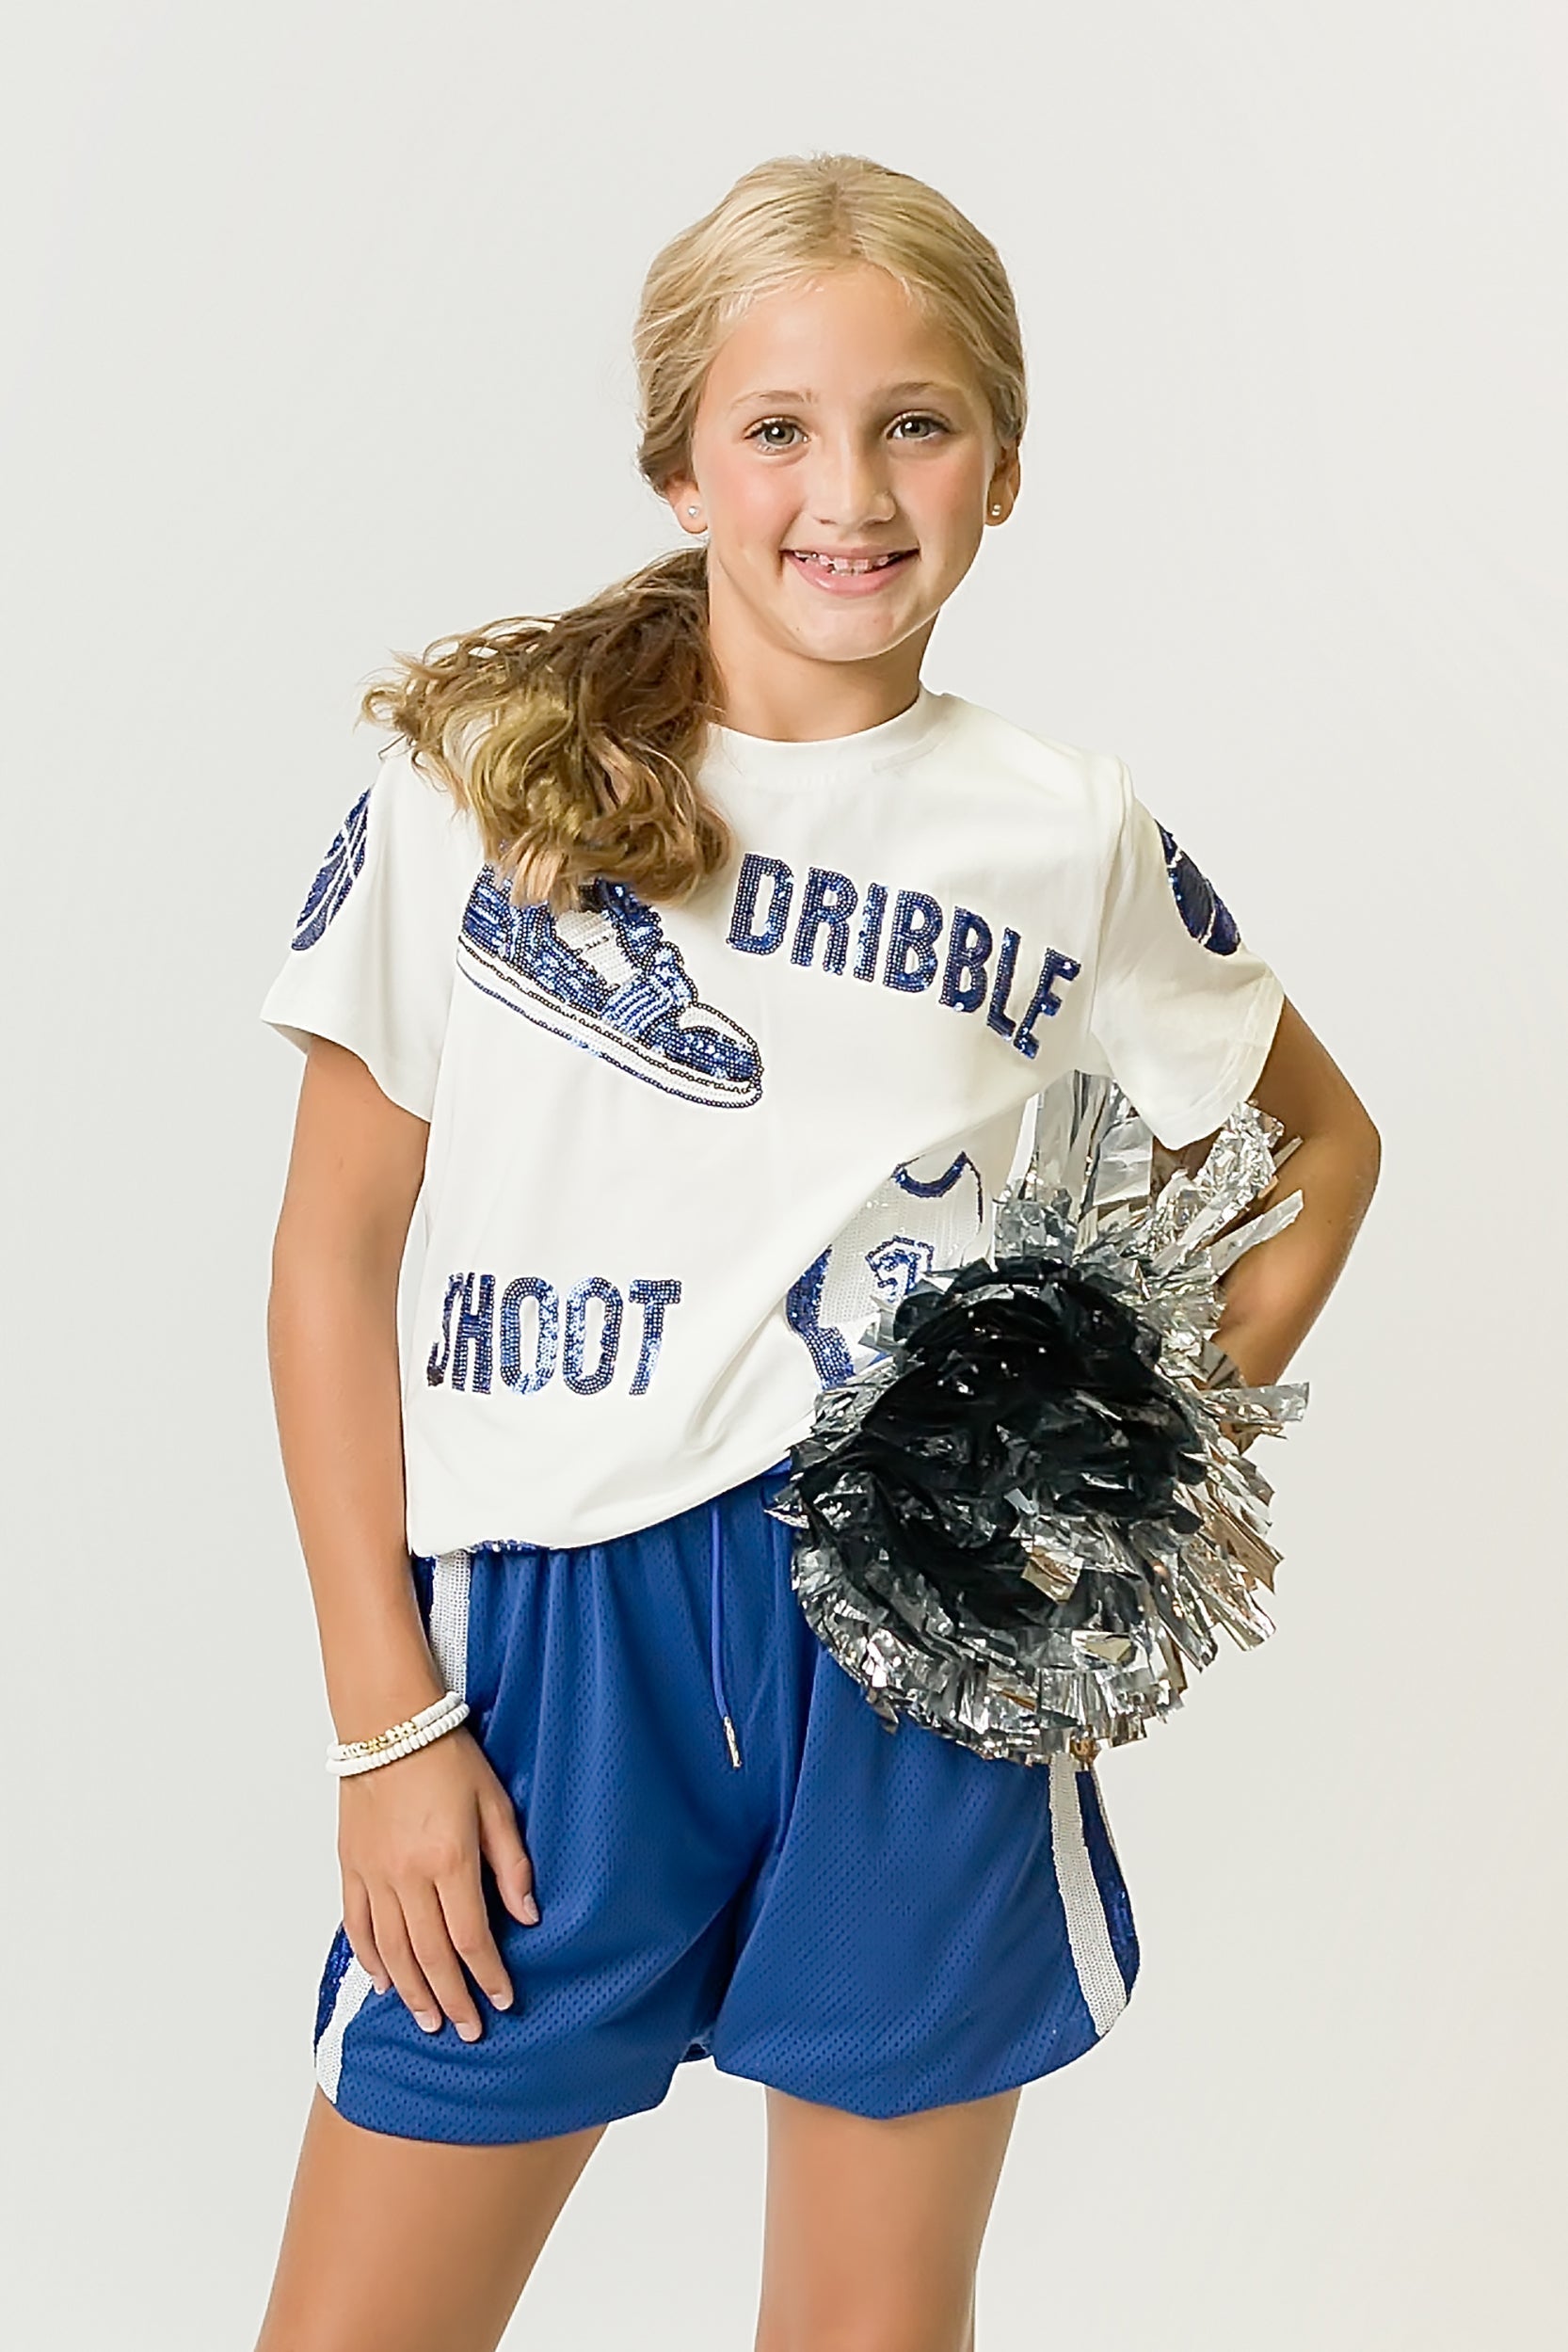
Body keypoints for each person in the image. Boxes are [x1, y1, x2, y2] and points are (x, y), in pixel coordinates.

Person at [251, 152, 1381, 2352]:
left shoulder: (1058, 826)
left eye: (913, 421)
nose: (843, 489)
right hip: (551, 1651)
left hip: (916, 1637)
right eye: (775, 428)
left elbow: (1317, 1141)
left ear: (1004, 464)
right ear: (680, 461)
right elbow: (328, 1252)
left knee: (869, 2327)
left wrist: (1141, 1459)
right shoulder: (478, 780)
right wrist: (382, 1723)